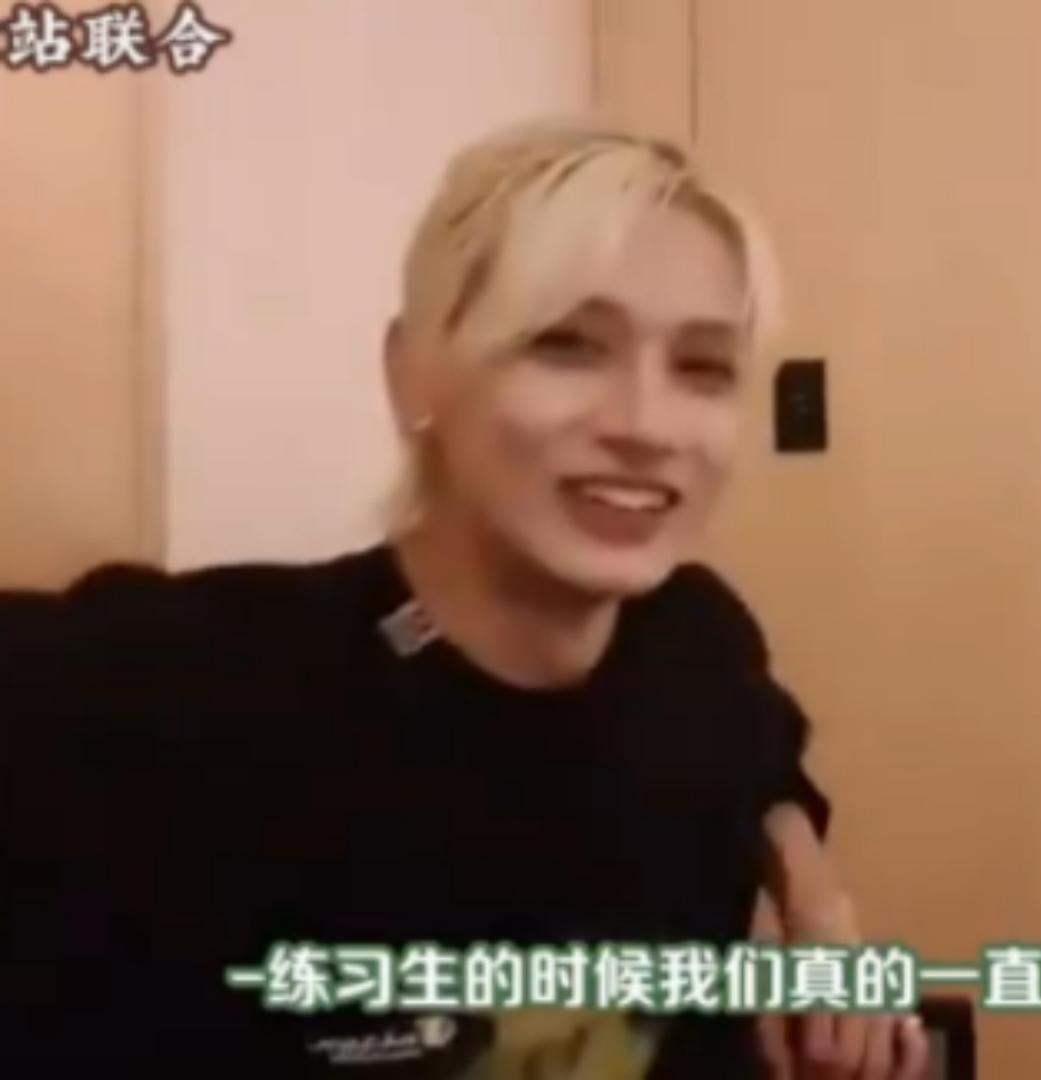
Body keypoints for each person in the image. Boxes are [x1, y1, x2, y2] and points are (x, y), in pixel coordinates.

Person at [0, 121, 926, 1079]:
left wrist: (821, 913)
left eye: (702, 367)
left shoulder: (693, 634)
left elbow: (762, 764)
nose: (647, 425)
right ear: (413, 374)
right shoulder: (185, 697)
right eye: (567, 346)